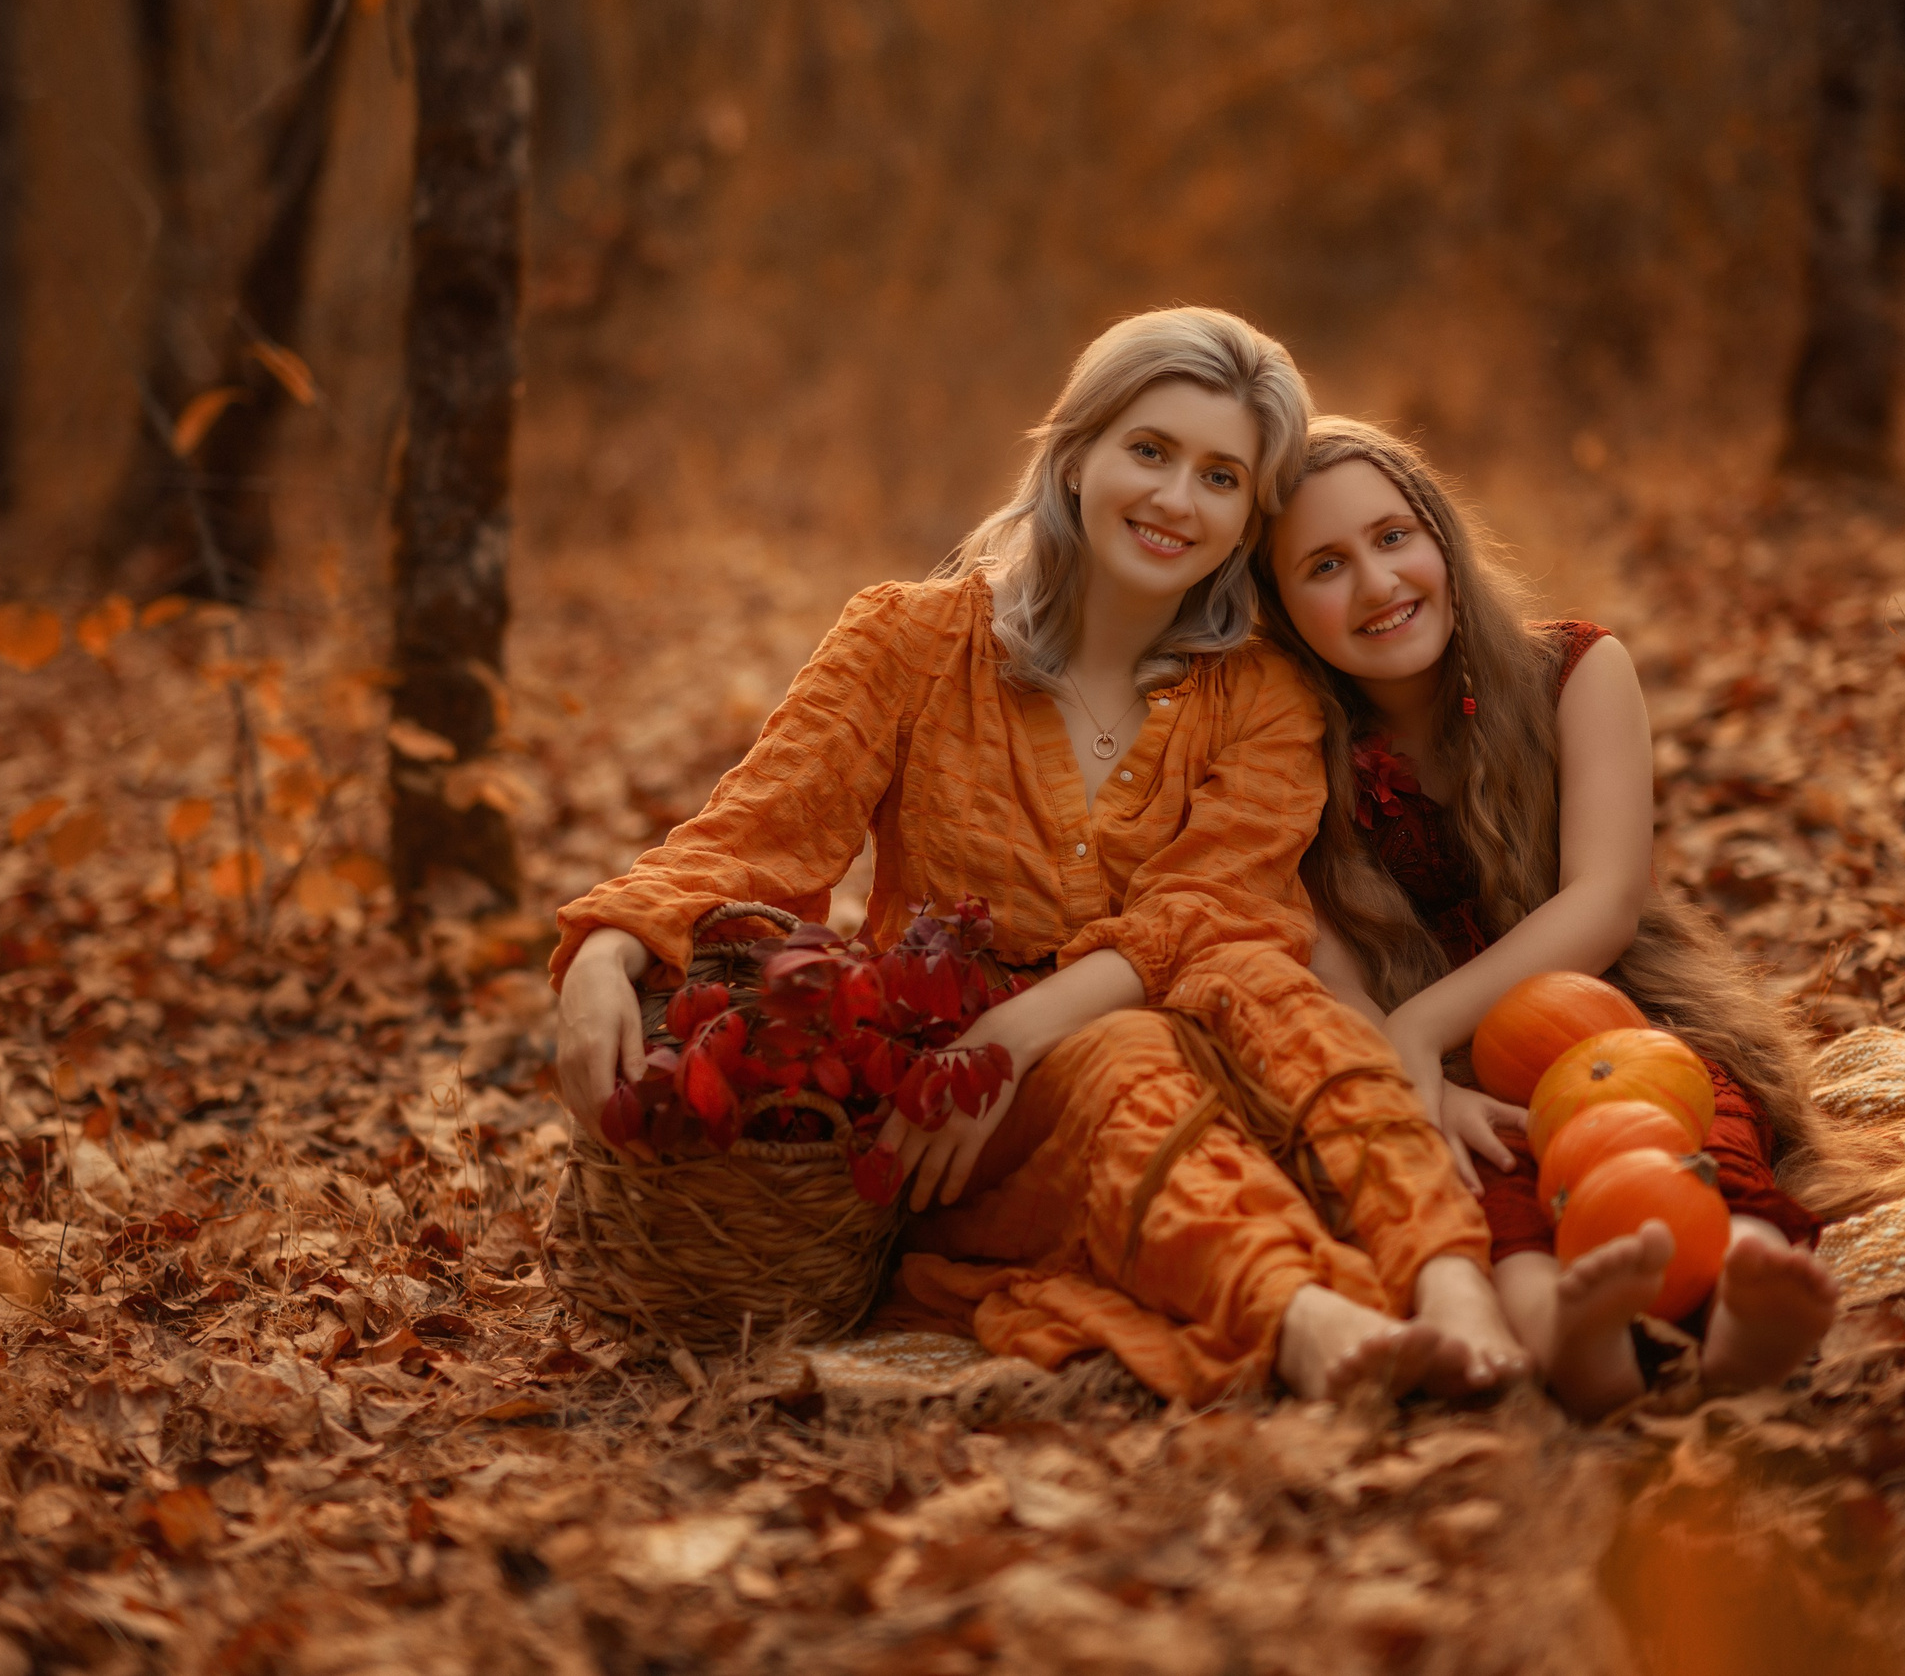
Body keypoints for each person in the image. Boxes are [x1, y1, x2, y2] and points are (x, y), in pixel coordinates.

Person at [551, 311, 1530, 1405]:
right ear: (1074, 454)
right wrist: (603, 950)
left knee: (1246, 978)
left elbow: (1210, 909)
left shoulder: (1259, 693)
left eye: (1219, 476)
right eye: (1149, 451)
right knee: (1121, 1059)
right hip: (962, 1118)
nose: (1174, 499)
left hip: (1175, 1060)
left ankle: (1451, 1283)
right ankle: (1300, 1316)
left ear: (1248, 516)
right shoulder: (908, 641)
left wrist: (1015, 1033)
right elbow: (754, 835)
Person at [1256, 416, 1841, 1416]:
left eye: (1393, 537)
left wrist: (1419, 1024)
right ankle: (1570, 1333)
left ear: (1439, 534)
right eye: (1324, 564)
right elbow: (1331, 966)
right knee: (1491, 1201)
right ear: (1275, 607)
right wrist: (1411, 1073)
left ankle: (1747, 1283)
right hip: (1434, 1078)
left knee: (1674, 1130)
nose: (1377, 583)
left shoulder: (1572, 671)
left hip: (1617, 1012)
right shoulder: (1285, 755)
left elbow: (1604, 898)